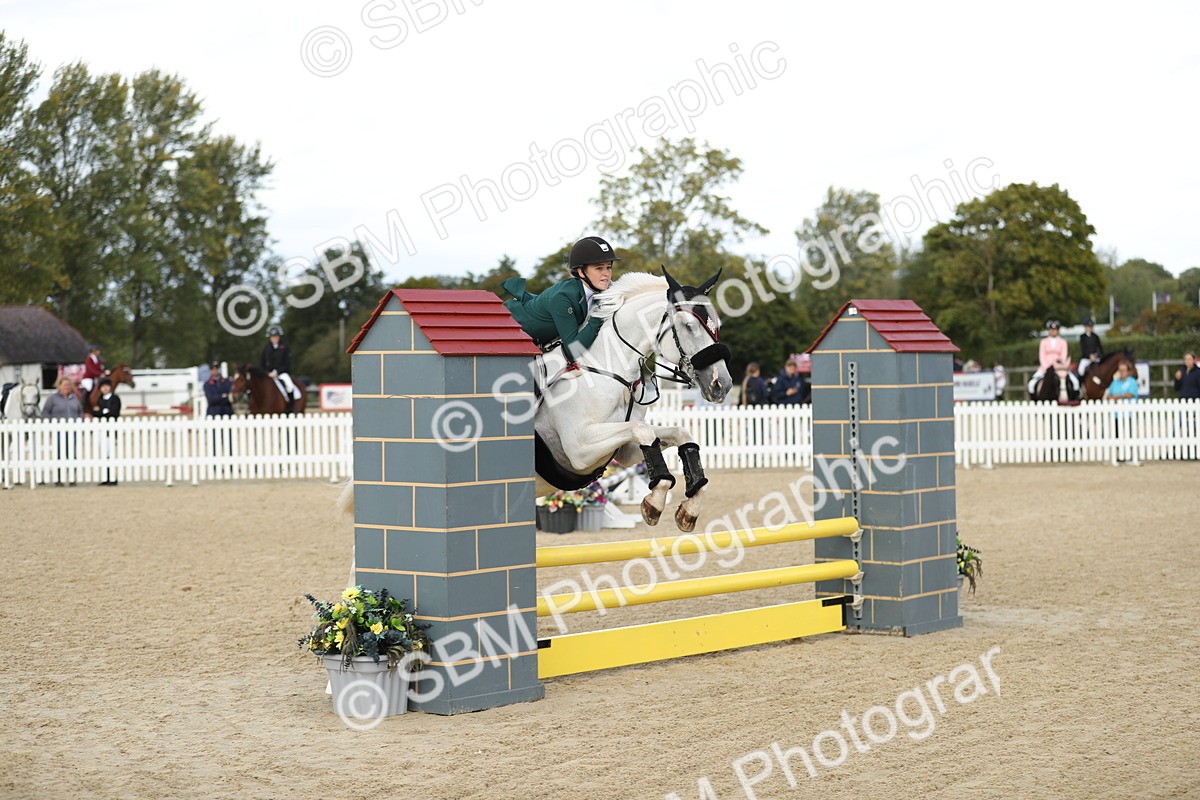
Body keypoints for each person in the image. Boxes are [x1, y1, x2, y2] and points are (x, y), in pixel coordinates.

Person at [501, 236, 616, 360]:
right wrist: (598, 316)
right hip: (509, 332)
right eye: (599, 268)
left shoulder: (601, 290)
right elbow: (573, 351)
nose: (606, 273)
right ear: (581, 272)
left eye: (608, 267)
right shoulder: (563, 297)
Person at [42, 376, 82, 486]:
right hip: (58, 431)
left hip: (72, 430)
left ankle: (72, 478)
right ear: (59, 386)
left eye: (68, 385)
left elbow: (79, 411)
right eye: (64, 385)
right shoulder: (53, 398)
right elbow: (45, 412)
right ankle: (58, 478)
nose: (67, 387)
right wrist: (51, 424)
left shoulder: (74, 398)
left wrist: (79, 421)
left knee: (71, 454)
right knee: (59, 454)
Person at [1028, 320, 1077, 395]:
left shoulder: (1063, 342)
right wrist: (1047, 366)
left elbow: (1063, 356)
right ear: (1049, 330)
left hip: (1060, 367)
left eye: (1055, 330)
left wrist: (1059, 366)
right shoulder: (1043, 342)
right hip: (1045, 367)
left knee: (1075, 382)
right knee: (1031, 384)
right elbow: (1042, 356)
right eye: (1052, 329)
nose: (1053, 331)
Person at [260, 325, 302, 413]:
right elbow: (262, 363)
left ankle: (291, 407)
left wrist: (278, 372)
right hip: (269, 374)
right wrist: (267, 373)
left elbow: (287, 363)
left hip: (282, 373)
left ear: (279, 337)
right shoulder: (266, 348)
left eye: (276, 336)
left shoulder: (285, 347)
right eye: (272, 337)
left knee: (289, 385)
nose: (274, 338)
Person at [1106, 360, 1139, 464]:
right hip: (1116, 415)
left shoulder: (1132, 382)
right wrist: (1113, 398)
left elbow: (1131, 394)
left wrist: (1118, 397)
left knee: (1129, 435)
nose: (1121, 373)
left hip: (1128, 414)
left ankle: (1130, 456)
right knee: (1117, 435)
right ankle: (1120, 456)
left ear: (1128, 371)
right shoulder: (1115, 383)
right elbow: (1108, 395)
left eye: (1123, 370)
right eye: (1120, 370)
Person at [94, 377, 122, 486]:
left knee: (110, 453)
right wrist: (103, 412)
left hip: (111, 429)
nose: (105, 389)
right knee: (104, 454)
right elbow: (95, 412)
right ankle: (106, 476)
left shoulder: (115, 399)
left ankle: (112, 477)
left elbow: (113, 413)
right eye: (102, 387)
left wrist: (102, 412)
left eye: (106, 386)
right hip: (102, 429)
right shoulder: (100, 399)